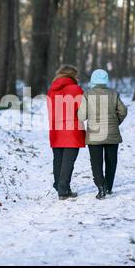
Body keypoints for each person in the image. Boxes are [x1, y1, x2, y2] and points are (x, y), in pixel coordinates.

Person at [78, 69, 127, 200]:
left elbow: (82, 116)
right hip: (112, 134)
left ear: (93, 80)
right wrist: (115, 122)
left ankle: (101, 187)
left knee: (96, 163)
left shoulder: (88, 94)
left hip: (94, 134)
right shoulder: (114, 93)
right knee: (111, 162)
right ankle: (109, 187)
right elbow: (123, 110)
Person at [47, 65, 86, 200]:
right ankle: (63, 190)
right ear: (73, 76)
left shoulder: (52, 90)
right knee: (68, 161)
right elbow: (82, 111)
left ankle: (59, 185)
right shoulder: (76, 89)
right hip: (72, 130)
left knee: (58, 159)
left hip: (56, 129)